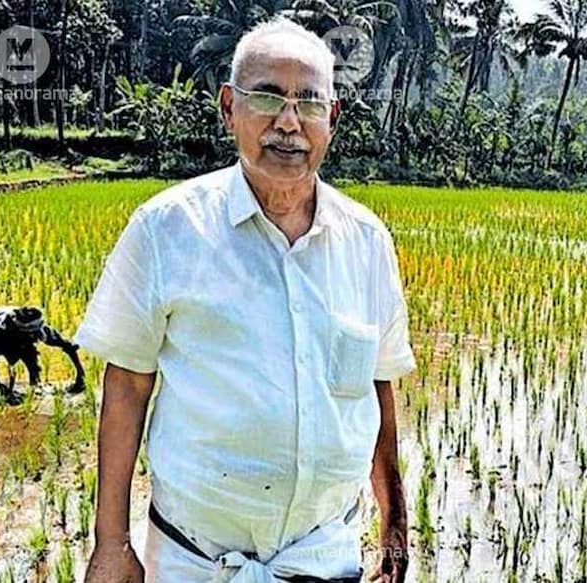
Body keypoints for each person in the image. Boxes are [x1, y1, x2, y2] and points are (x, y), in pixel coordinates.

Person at [76, 17, 415, 583]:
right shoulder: (167, 230)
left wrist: (395, 525)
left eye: (309, 103)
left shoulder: (367, 242)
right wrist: (112, 542)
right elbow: (128, 384)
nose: (289, 122)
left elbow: (377, 386)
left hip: (326, 559)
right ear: (229, 107)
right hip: (194, 562)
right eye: (268, 97)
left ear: (330, 119)